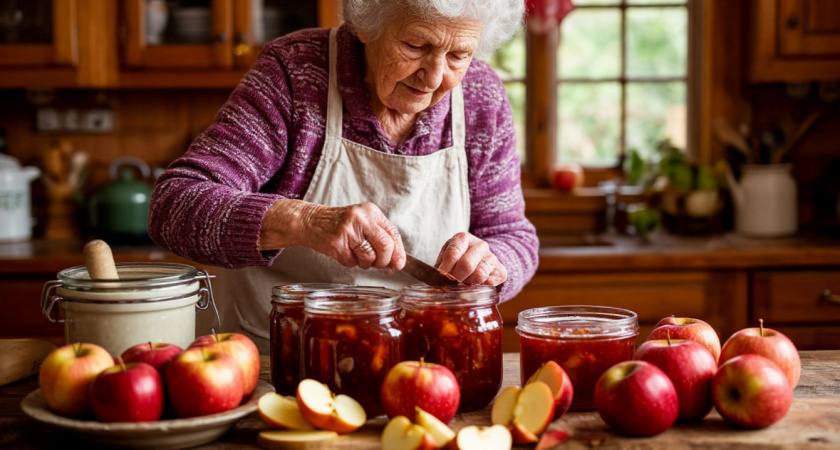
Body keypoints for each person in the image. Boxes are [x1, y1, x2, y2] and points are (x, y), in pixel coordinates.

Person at [149, 0, 538, 353]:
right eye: (417, 46)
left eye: (458, 55)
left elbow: (513, 236)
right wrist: (303, 221)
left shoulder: (481, 97)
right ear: (366, 24)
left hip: (419, 361)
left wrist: (492, 264)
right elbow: (175, 205)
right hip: (280, 358)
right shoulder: (296, 73)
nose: (434, 77)